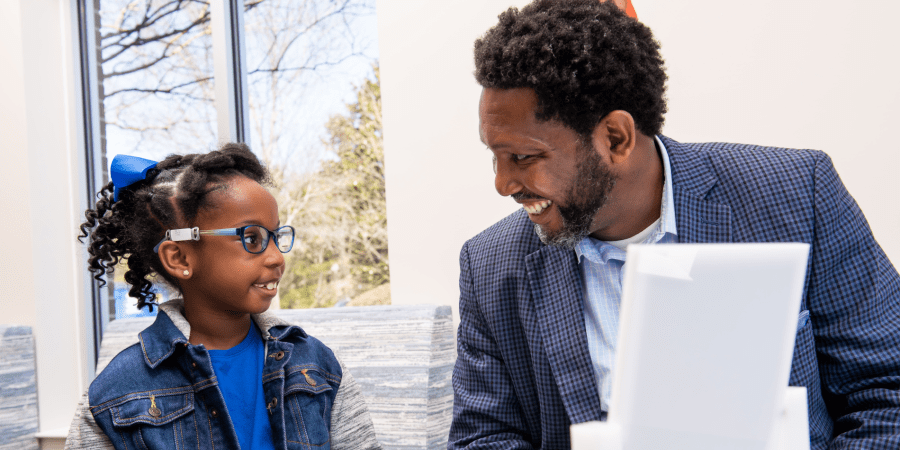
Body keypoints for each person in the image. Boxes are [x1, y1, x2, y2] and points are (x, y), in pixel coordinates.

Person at [449, 1, 900, 449]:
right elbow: (484, 438)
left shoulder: (796, 195)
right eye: (495, 157)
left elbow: (887, 392)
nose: (503, 183)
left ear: (616, 138)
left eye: (523, 158)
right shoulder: (490, 265)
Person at [65, 144, 381, 450]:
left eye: (276, 237)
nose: (276, 258)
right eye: (251, 238)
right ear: (180, 258)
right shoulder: (114, 396)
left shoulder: (318, 365)